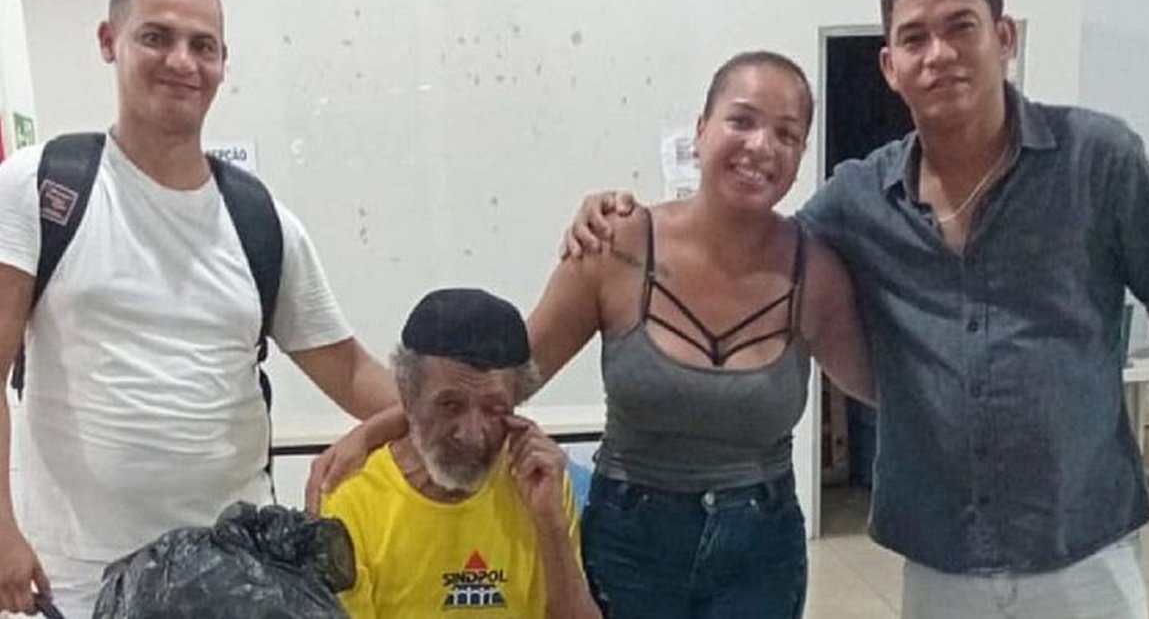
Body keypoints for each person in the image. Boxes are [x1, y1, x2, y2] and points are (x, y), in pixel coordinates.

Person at [566, 0, 1149, 619]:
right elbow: (756, 244)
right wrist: (626, 220)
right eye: (914, 38)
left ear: (1004, 37)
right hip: (941, 552)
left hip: (1084, 540)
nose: (939, 54)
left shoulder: (1098, 159)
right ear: (890, 66)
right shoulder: (859, 199)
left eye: (961, 26)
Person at [308, 50, 875, 617]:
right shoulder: (615, 244)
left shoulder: (815, 272)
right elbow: (507, 378)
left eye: (786, 134)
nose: (761, 146)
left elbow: (880, 385)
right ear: (701, 130)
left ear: (802, 156)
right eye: (742, 120)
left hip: (759, 546)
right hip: (632, 540)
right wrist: (374, 433)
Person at [0, 0, 398, 617]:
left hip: (237, 584)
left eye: (202, 45)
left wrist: (459, 410)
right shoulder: (40, 188)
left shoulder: (263, 222)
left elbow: (350, 370)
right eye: (156, 37)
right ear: (109, 41)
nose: (182, 61)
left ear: (222, 63)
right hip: (79, 585)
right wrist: (2, 529)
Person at [321, 288, 599, 618]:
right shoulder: (354, 499)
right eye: (450, 405)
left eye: (494, 409)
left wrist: (551, 522)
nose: (471, 433)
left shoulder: (538, 482)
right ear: (408, 398)